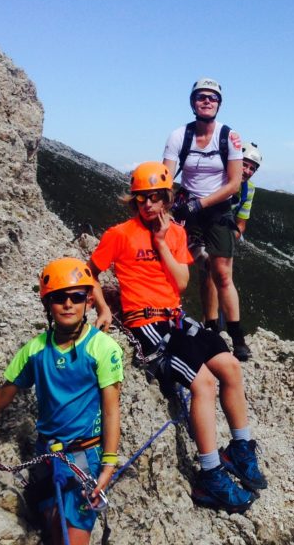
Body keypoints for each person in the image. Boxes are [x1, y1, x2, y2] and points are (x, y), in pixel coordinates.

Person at [88, 161, 266, 513]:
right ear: (134, 201)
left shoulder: (175, 233)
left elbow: (182, 283)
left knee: (230, 366)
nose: (150, 205)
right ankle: (211, 476)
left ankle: (241, 448)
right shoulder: (119, 234)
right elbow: (89, 272)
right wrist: (104, 309)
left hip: (175, 317)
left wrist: (162, 243)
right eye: (142, 199)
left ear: (168, 199)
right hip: (145, 322)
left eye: (157, 198)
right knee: (203, 384)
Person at [0, 258, 122, 545]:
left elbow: (111, 410)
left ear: (88, 300)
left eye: (76, 296)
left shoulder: (103, 348)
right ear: (47, 303)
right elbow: (3, 394)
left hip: (85, 459)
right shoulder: (34, 351)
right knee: (57, 541)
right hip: (46, 457)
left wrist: (108, 466)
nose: (68, 304)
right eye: (58, 297)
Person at [163, 78, 252, 361]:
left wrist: (198, 205)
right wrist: (164, 205)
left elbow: (234, 183)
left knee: (222, 274)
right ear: (193, 102)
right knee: (178, 269)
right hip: (187, 207)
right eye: (201, 97)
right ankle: (200, 324)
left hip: (216, 210)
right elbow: (167, 177)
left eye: (212, 98)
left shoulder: (229, 136)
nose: (206, 101)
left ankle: (237, 337)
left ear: (218, 104)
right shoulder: (179, 136)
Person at [200, 142, 262, 325]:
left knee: (218, 271)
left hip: (224, 230)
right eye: (244, 164)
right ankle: (211, 324)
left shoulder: (248, 189)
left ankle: (211, 324)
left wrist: (227, 239)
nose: (247, 171)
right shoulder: (216, 179)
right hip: (200, 226)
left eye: (252, 168)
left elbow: (241, 224)